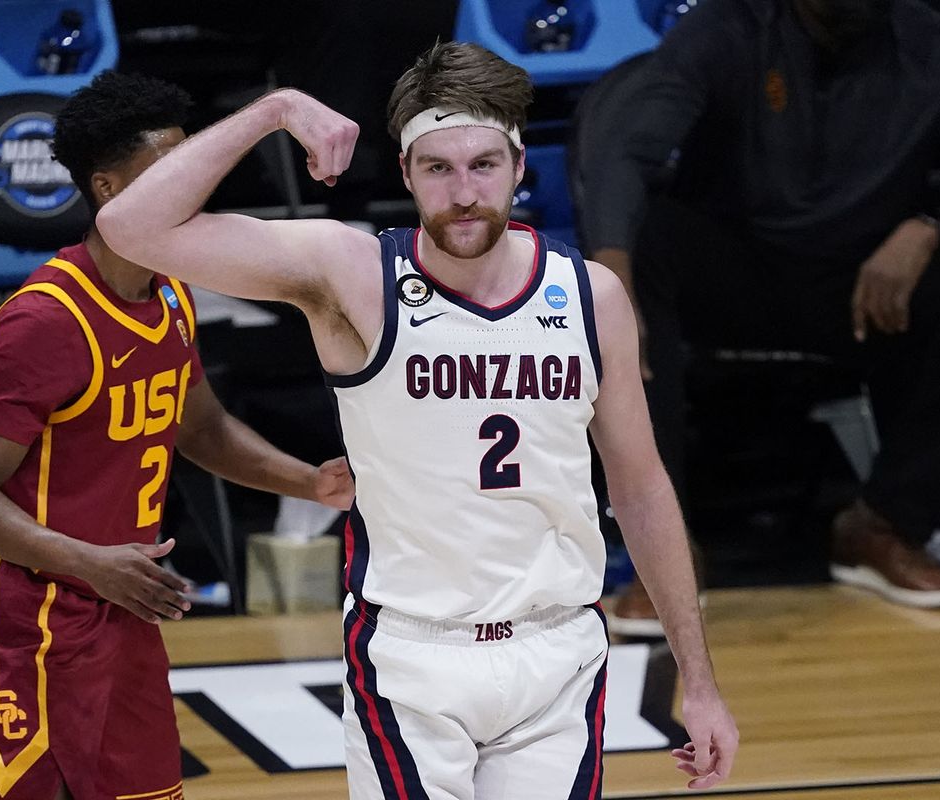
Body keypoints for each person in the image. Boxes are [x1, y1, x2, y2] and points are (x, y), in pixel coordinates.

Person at [97, 42, 738, 798]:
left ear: (520, 164)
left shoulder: (591, 296)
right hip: (412, 659)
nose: (463, 192)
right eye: (438, 168)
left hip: (558, 649)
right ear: (405, 173)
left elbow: (640, 488)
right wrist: (274, 112)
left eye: (483, 165)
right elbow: (129, 227)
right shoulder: (353, 276)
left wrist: (699, 682)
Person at [0, 71, 353, 800]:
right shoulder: (45, 320)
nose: (194, 183)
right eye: (169, 169)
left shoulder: (171, 293)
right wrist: (90, 562)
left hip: (124, 608)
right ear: (107, 188)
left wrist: (308, 482)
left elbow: (201, 429)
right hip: (33, 622)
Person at [579, 0, 940, 634]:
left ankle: (884, 523)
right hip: (736, 272)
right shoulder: (726, 27)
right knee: (628, 266)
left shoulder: (936, 43)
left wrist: (932, 227)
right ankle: (665, 548)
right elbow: (626, 147)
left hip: (867, 284)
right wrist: (612, 275)